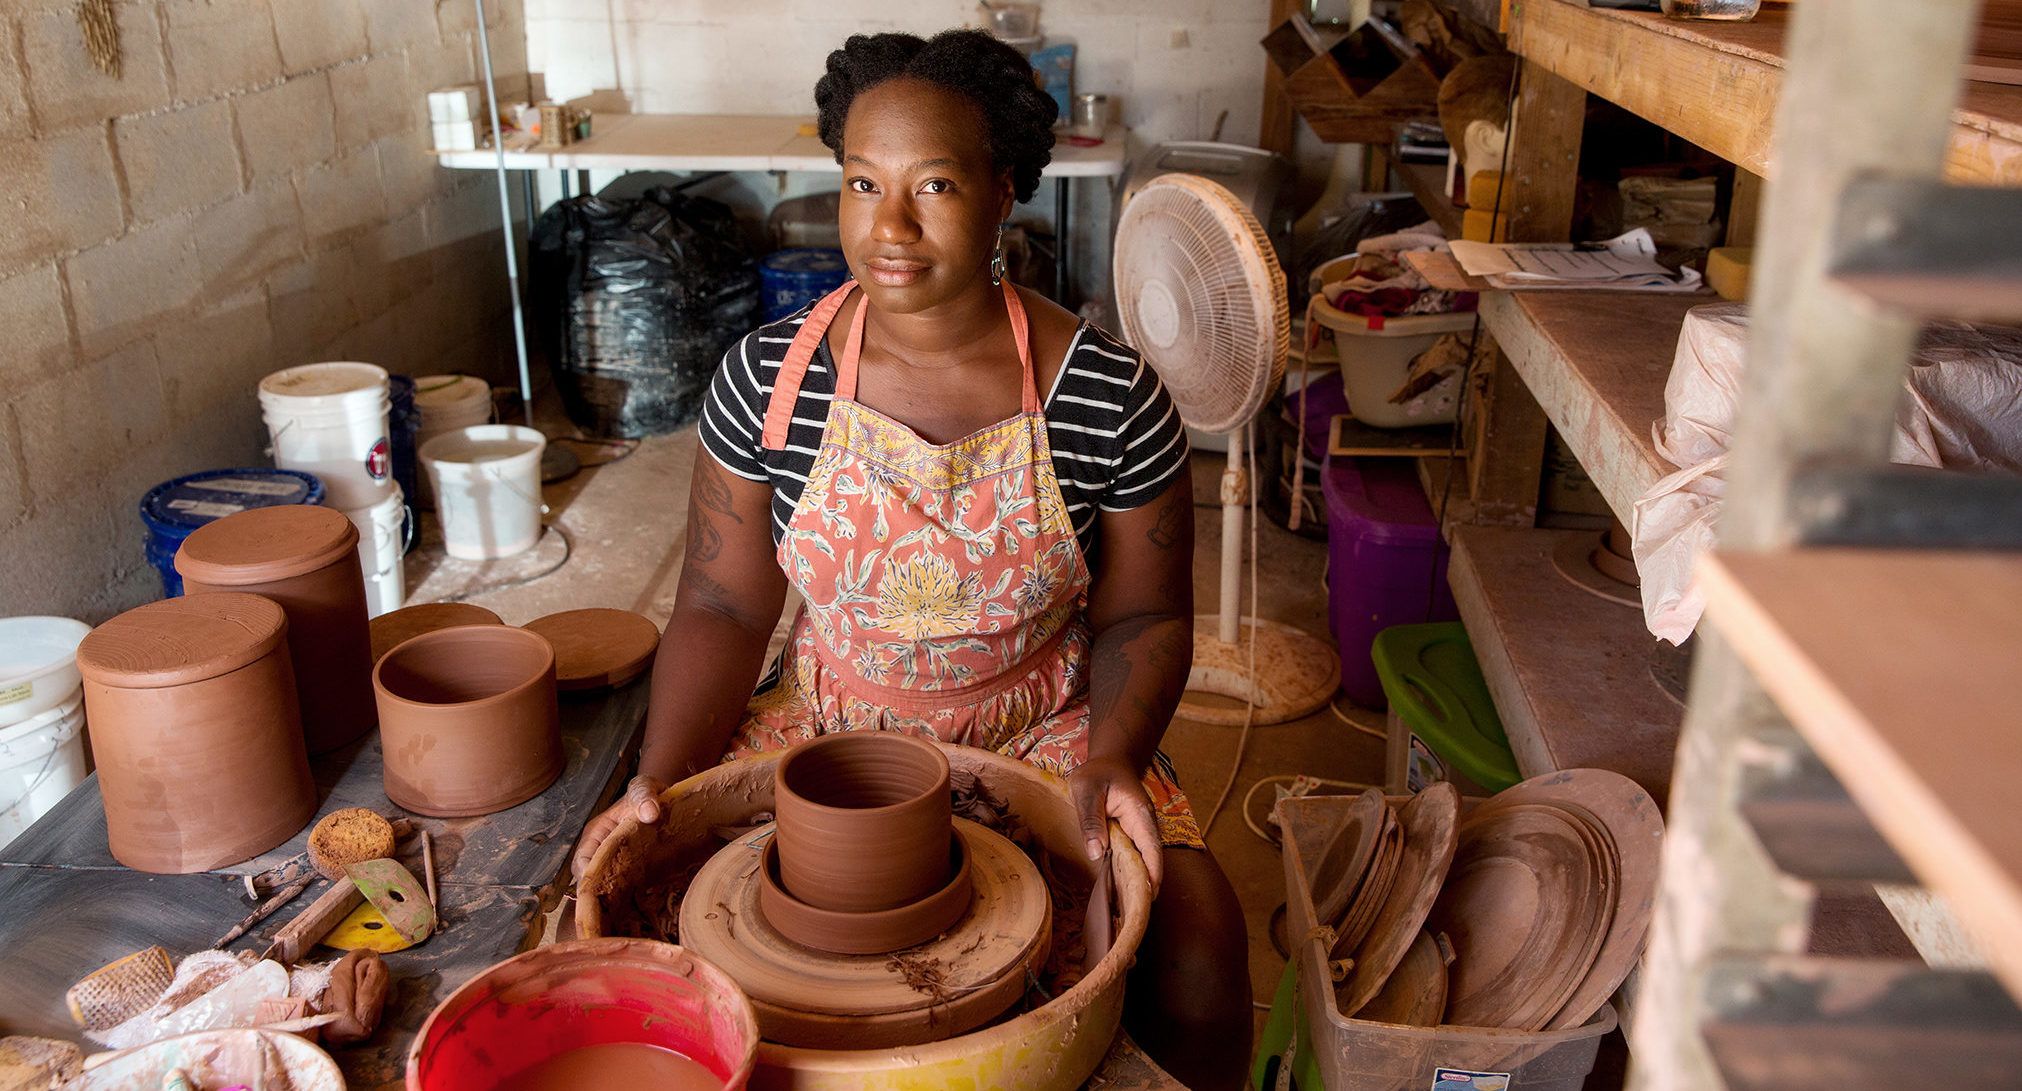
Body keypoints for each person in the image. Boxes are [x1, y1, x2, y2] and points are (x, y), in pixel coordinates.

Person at [571, 28, 1250, 1087]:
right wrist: (660, 781)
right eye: (860, 181)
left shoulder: (1109, 396)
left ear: (1006, 190)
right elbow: (719, 602)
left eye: (932, 183)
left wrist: (1115, 756)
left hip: (1052, 721)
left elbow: (1144, 617)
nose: (887, 226)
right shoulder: (767, 385)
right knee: (651, 899)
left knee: (1199, 938)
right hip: (830, 718)